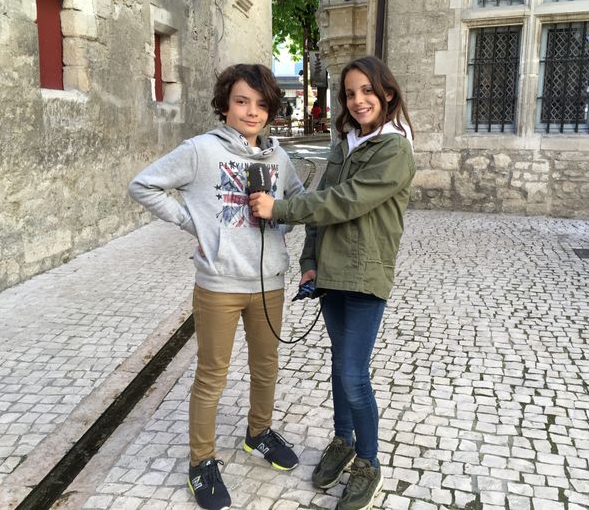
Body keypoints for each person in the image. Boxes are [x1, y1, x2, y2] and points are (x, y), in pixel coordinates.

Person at [128, 64, 304, 510]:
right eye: (242, 101)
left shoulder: (278, 157)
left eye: (262, 104)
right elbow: (144, 184)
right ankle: (201, 462)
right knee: (212, 375)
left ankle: (258, 433)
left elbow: (301, 203)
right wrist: (198, 227)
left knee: (267, 367)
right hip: (219, 285)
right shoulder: (201, 150)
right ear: (225, 103)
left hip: (269, 284)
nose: (252, 111)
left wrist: (282, 214)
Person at [249, 55, 415, 510]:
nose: (358, 100)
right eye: (350, 93)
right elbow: (322, 200)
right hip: (331, 273)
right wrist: (308, 260)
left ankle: (369, 461)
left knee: (353, 374)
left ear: (387, 94)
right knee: (339, 366)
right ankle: (342, 440)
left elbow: (343, 202)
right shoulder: (344, 140)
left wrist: (278, 210)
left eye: (367, 91)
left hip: (364, 275)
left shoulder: (394, 149)